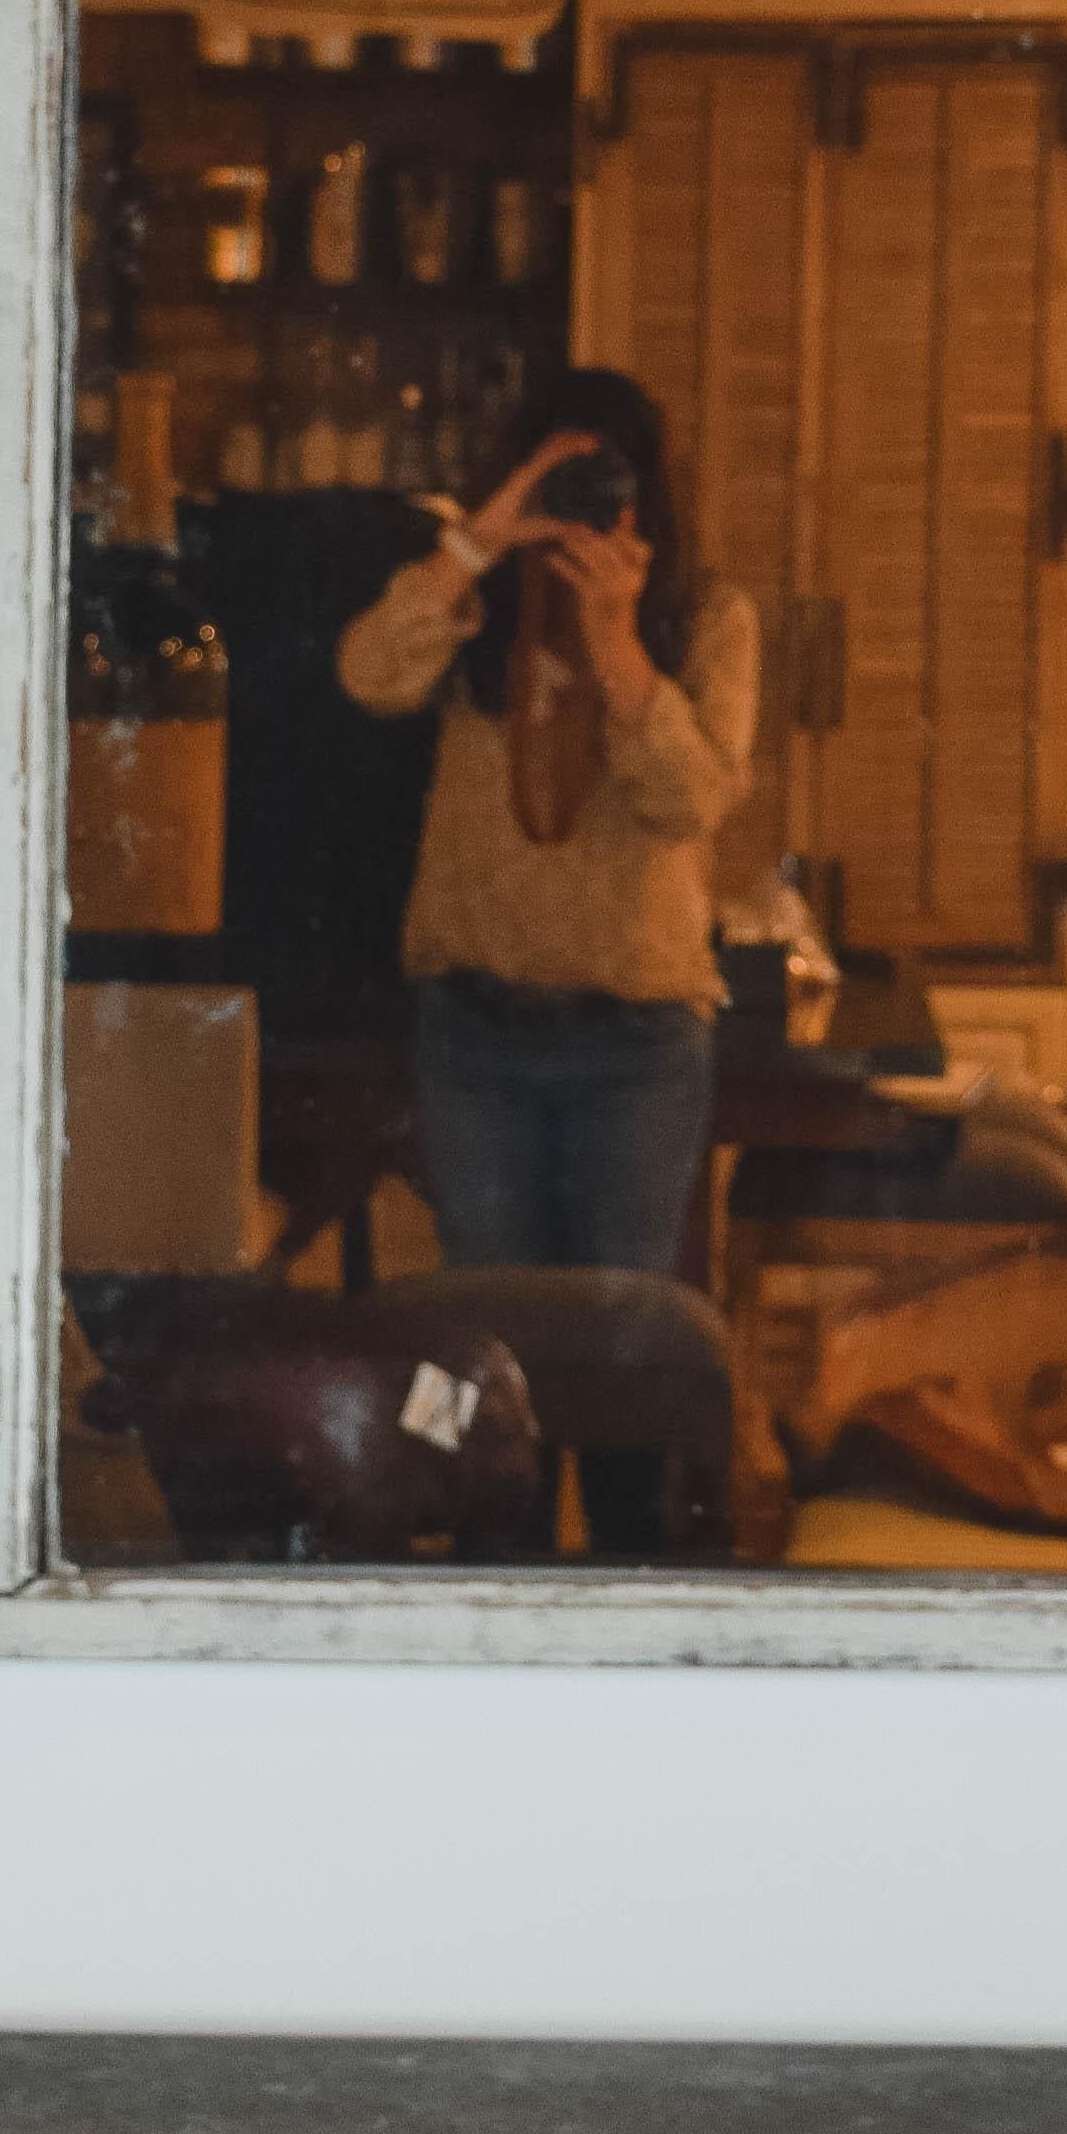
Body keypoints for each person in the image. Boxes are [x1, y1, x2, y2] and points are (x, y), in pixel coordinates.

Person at [336, 368, 759, 1544]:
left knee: (626, 1356)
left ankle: (626, 1602)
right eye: (553, 473)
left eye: (601, 479)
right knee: (493, 1362)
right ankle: (498, 1594)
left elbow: (691, 800)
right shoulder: (475, 603)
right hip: (476, 1027)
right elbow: (368, 673)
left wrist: (619, 643)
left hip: (636, 1037)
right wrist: (479, 541)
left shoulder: (704, 615)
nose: (577, 504)